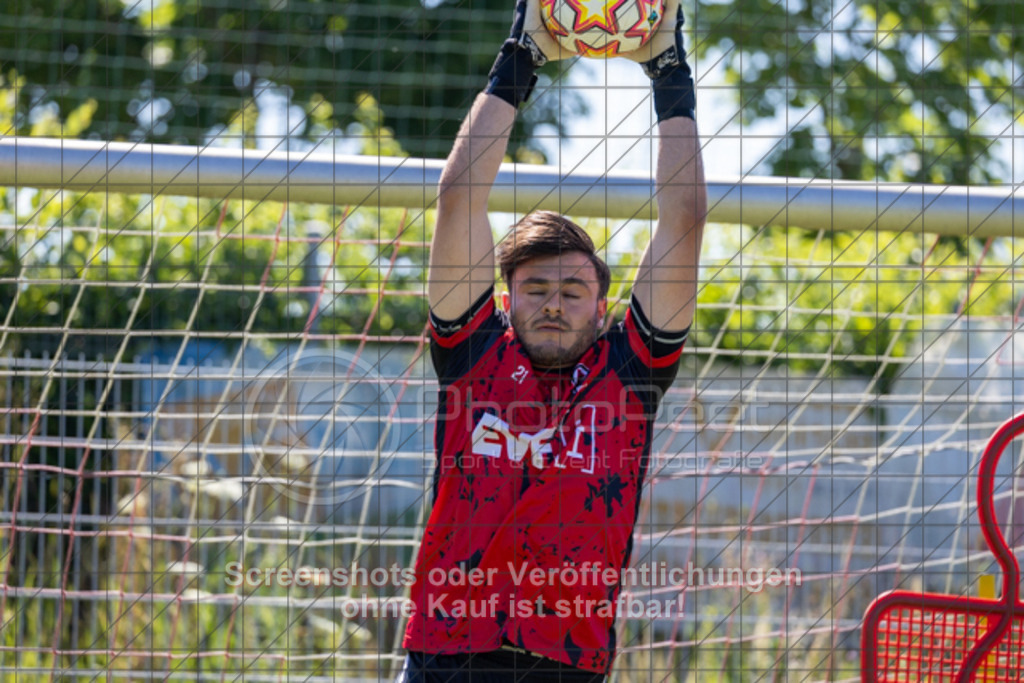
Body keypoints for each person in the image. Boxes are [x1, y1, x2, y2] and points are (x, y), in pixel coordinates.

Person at [399, 0, 706, 679]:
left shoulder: (629, 374)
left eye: (572, 291)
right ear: (508, 300)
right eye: (536, 289)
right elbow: (459, 195)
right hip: (447, 656)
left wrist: (669, 72)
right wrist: (520, 59)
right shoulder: (475, 355)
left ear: (603, 308)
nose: (554, 304)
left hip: (565, 663)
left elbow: (684, 218)